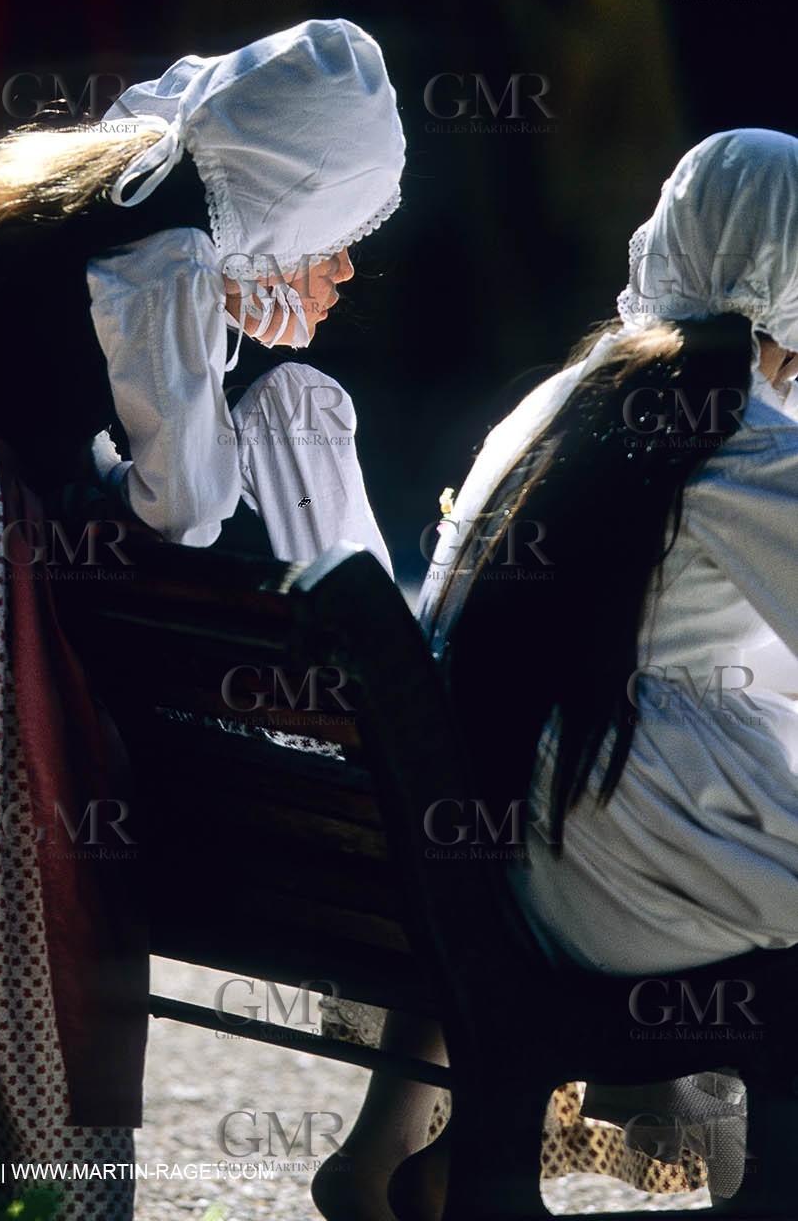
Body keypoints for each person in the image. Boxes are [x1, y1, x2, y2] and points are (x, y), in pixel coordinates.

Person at [0, 17, 405, 1219]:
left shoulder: (105, 190)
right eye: (336, 236)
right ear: (286, 203)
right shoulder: (174, 252)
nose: (340, 270)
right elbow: (187, 504)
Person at [314, 127, 798, 1220]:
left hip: (502, 842)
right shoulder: (738, 431)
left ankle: (437, 1160)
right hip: (609, 867)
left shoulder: (569, 394)